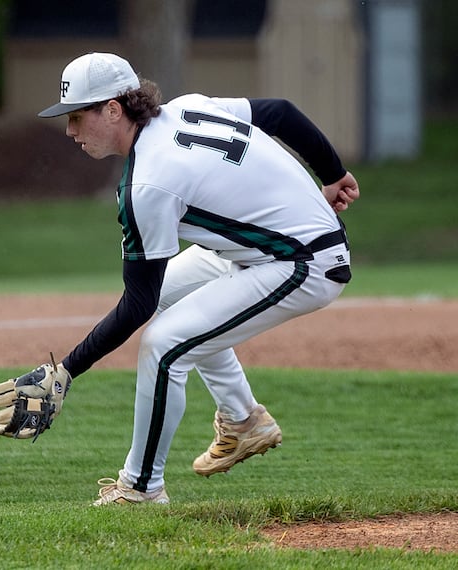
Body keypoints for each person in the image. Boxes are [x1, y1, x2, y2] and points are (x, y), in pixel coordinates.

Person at [37, 52, 360, 506]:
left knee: (163, 345)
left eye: (76, 116)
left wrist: (67, 370)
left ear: (113, 109)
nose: (70, 130)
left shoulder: (147, 184)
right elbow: (282, 112)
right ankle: (244, 419)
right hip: (262, 251)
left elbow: (137, 303)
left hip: (303, 262)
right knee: (170, 298)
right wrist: (333, 174)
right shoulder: (189, 107)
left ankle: (141, 489)